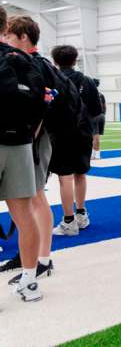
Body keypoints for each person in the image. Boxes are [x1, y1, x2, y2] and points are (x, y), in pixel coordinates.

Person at [3, 16, 61, 285]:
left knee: (35, 199)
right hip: (28, 138)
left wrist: (32, 137)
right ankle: (31, 260)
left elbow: (49, 103)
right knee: (30, 203)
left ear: (23, 36)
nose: (6, 41)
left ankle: (43, 259)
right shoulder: (30, 64)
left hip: (33, 140)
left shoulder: (35, 64)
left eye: (10, 36)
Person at [0, 6, 46, 302]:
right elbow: (43, 105)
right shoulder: (23, 60)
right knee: (25, 215)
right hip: (20, 143)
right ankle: (30, 282)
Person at [50, 45, 102, 236]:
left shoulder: (52, 79)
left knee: (65, 178)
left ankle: (68, 221)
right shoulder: (86, 81)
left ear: (55, 61)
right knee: (80, 174)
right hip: (83, 134)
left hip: (61, 135)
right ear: (75, 59)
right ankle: (81, 215)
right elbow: (97, 110)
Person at [91, 78, 106, 160]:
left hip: (94, 116)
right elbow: (104, 106)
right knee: (97, 136)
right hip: (101, 115)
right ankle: (97, 154)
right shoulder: (101, 94)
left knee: (93, 136)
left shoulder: (90, 93)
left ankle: (94, 155)